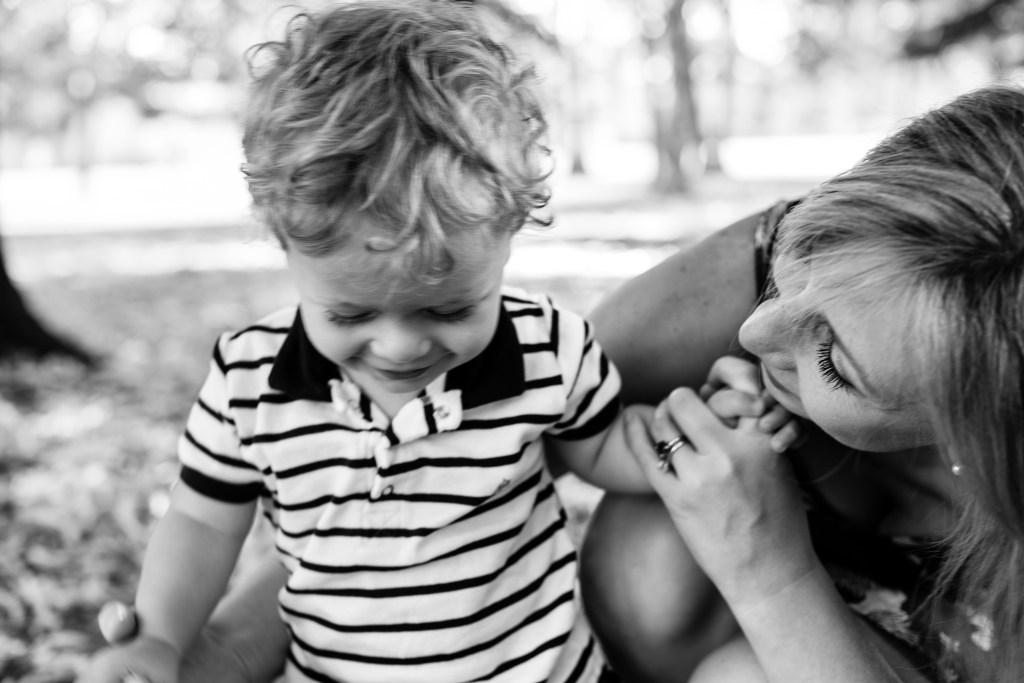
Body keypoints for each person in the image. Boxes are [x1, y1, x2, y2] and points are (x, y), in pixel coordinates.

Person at [82, 3, 796, 682]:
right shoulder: (249, 381)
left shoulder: (546, 348)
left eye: (450, 308)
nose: (399, 347)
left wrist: (700, 432)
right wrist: (160, 635)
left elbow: (604, 448)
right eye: (351, 314)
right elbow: (202, 520)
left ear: (507, 238)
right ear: (285, 245)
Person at [581, 82, 1024, 683]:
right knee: (650, 562)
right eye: (802, 256)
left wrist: (770, 569)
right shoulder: (842, 239)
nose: (754, 330)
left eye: (834, 363)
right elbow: (528, 406)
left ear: (975, 428)